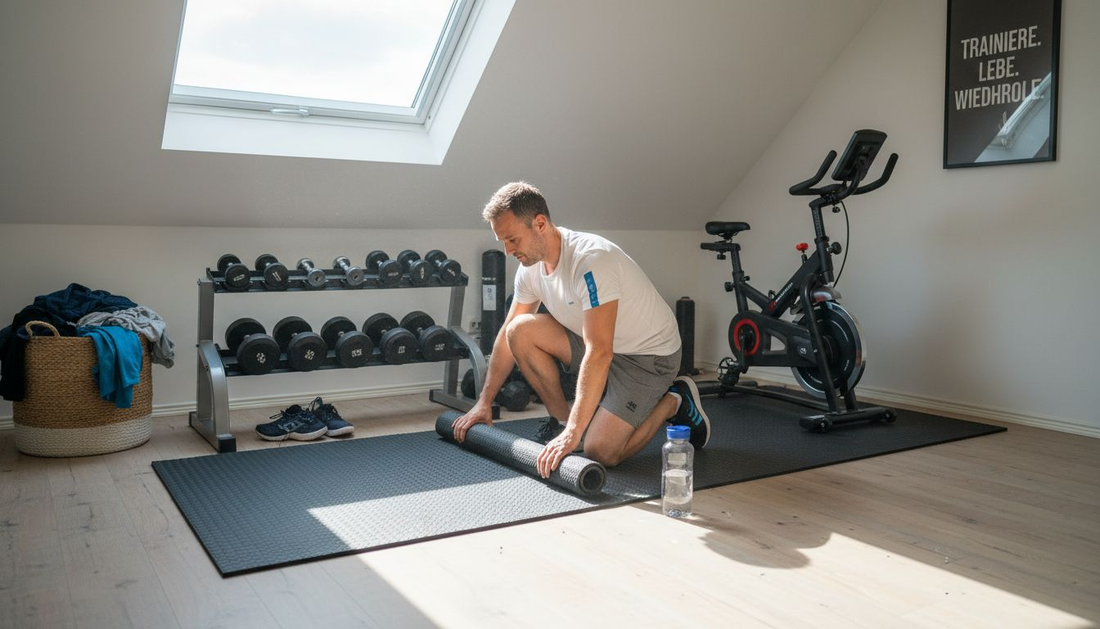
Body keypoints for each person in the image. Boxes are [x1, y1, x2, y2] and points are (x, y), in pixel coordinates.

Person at [451, 182, 710, 478]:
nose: (508, 251)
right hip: (597, 344)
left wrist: (578, 432)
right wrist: (483, 402)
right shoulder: (531, 269)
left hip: (647, 358)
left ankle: (673, 399)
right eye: (503, 242)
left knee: (600, 452)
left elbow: (600, 352)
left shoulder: (591, 260)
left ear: (540, 224)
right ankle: (560, 423)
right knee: (519, 331)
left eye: (512, 239)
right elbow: (508, 334)